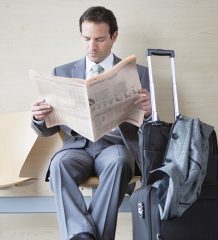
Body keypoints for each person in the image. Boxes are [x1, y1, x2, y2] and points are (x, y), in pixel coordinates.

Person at [30, 6, 151, 240]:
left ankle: (82, 235)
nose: (92, 47)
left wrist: (148, 114)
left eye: (99, 39)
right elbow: (49, 129)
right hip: (77, 148)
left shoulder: (139, 73)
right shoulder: (62, 72)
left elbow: (152, 130)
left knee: (118, 161)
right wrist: (39, 117)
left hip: (115, 148)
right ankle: (84, 234)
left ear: (114, 36)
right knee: (59, 165)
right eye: (86, 39)